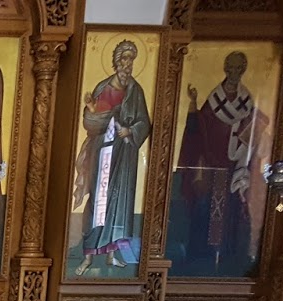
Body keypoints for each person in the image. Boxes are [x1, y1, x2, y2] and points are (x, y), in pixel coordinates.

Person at [171, 51, 262, 277]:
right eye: (231, 68)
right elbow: (199, 129)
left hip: (233, 171)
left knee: (230, 216)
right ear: (225, 69)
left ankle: (228, 260)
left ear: (243, 70)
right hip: (212, 170)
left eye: (238, 69)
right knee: (204, 210)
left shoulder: (247, 100)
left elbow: (253, 132)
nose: (234, 73)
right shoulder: (215, 99)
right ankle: (201, 257)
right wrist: (193, 105)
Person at [74, 40, 152, 275]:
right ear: (117, 61)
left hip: (125, 156)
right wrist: (91, 111)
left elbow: (144, 122)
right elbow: (90, 123)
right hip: (102, 154)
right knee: (97, 202)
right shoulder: (104, 88)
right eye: (124, 59)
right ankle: (88, 256)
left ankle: (111, 255)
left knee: (119, 203)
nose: (128, 64)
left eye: (131, 60)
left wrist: (130, 130)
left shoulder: (136, 91)